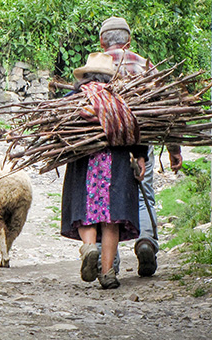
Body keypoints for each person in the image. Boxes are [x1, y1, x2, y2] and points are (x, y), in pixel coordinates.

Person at [99, 16, 183, 277]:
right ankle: (146, 241)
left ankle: (108, 262)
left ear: (102, 42)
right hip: (139, 147)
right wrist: (174, 149)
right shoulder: (145, 66)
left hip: (103, 149)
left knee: (105, 200)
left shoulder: (96, 66)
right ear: (129, 40)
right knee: (143, 193)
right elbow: (166, 110)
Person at [60, 52, 148, 289]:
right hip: (115, 162)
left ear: (86, 76)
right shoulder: (120, 99)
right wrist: (141, 156)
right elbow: (136, 128)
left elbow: (56, 128)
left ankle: (89, 248)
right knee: (111, 218)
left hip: (83, 161)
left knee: (85, 209)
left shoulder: (75, 98)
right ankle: (107, 273)